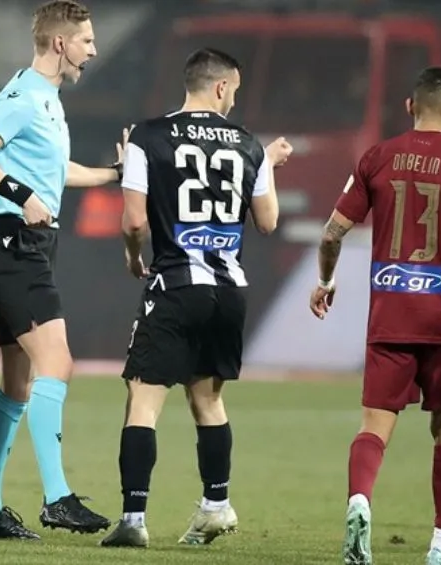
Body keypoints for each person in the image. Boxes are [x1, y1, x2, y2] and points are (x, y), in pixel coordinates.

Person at [98, 47, 289, 548]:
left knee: (143, 398)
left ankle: (134, 520)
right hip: (229, 293)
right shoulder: (250, 145)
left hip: (176, 286)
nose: (235, 99)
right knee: (208, 400)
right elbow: (267, 222)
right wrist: (266, 165)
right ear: (222, 87)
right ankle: (216, 506)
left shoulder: (147, 136)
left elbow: (135, 220)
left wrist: (132, 257)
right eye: (236, 91)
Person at [309, 66, 441, 565]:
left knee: (374, 426)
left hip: (390, 315)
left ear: (410, 107)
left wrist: (326, 281)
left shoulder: (377, 156)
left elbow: (332, 233)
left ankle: (359, 502)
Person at [0, 0, 121, 539]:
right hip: (13, 245)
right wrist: (20, 194)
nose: (93, 49)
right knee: (59, 361)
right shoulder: (25, 95)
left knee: (17, 386)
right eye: (87, 40)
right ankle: (57, 498)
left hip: (26, 244)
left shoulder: (46, 99)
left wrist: (112, 173)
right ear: (59, 43)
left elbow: (55, 169)